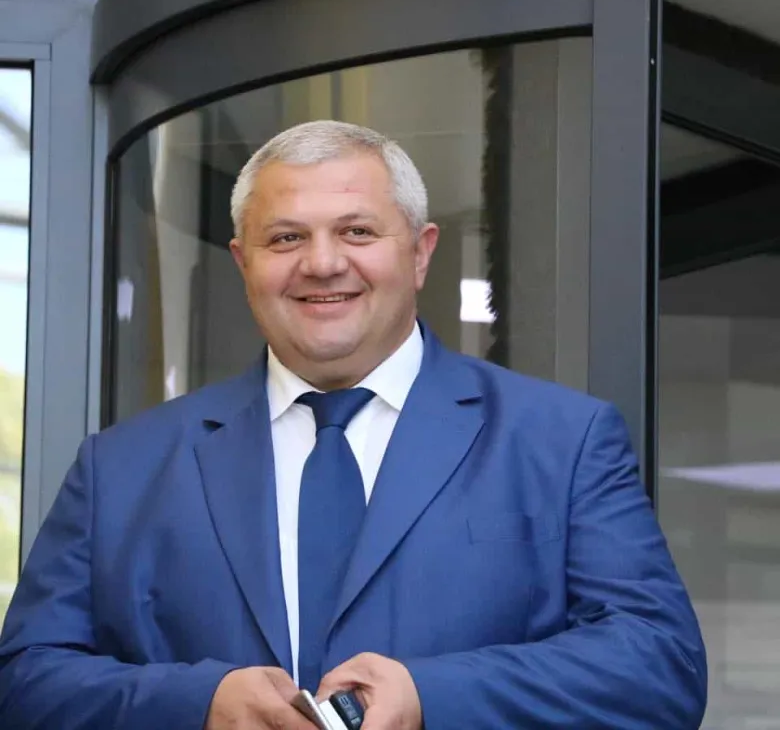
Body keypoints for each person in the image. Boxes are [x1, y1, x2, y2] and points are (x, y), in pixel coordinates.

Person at [0, 120, 706, 729]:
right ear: (244, 264)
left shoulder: (562, 440)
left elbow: (659, 664)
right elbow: (25, 680)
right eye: (286, 238)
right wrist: (197, 704)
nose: (322, 262)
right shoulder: (120, 467)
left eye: (357, 231)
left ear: (421, 252)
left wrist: (431, 696)